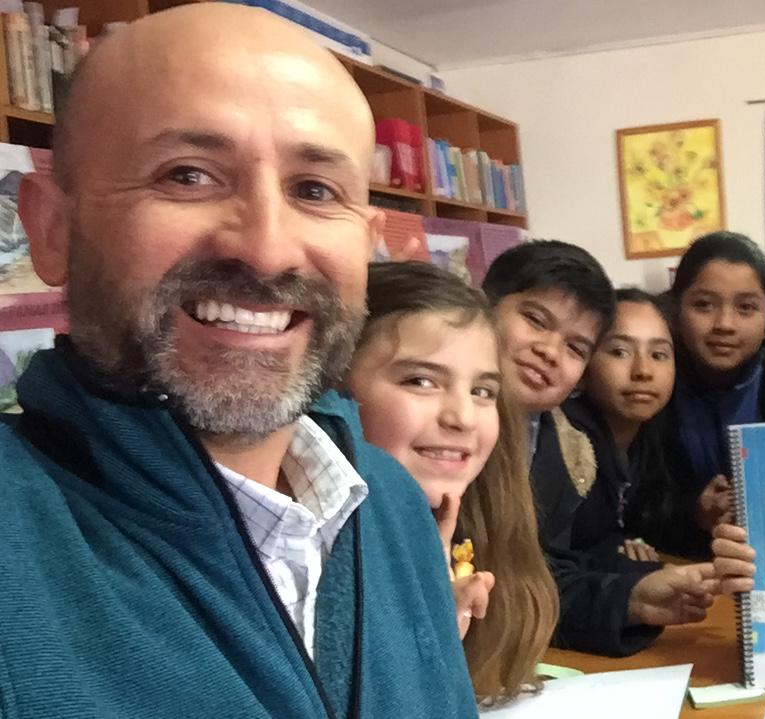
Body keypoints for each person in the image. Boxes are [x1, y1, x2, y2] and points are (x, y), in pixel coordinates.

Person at [1, 4, 475, 717]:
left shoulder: (393, 505)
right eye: (188, 175)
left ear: (368, 242)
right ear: (52, 227)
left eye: (316, 190)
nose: (267, 249)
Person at [481, 240, 717, 657]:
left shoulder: (558, 449)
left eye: (575, 347)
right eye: (536, 320)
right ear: (482, 306)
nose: (549, 351)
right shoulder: (434, 429)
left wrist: (634, 597)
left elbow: (541, 575)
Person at [345, 261, 557, 702]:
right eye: (421, 381)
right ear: (336, 390)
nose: (461, 418)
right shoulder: (308, 561)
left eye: (483, 391)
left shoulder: (473, 530)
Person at [667, 231, 765, 552]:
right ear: (676, 310)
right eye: (703, 305)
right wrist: (693, 511)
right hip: (687, 564)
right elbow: (634, 502)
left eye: (746, 307)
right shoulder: (654, 374)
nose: (724, 324)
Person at [563, 288, 677, 561]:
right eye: (620, 351)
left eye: (659, 355)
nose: (643, 371)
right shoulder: (564, 442)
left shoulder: (654, 437)